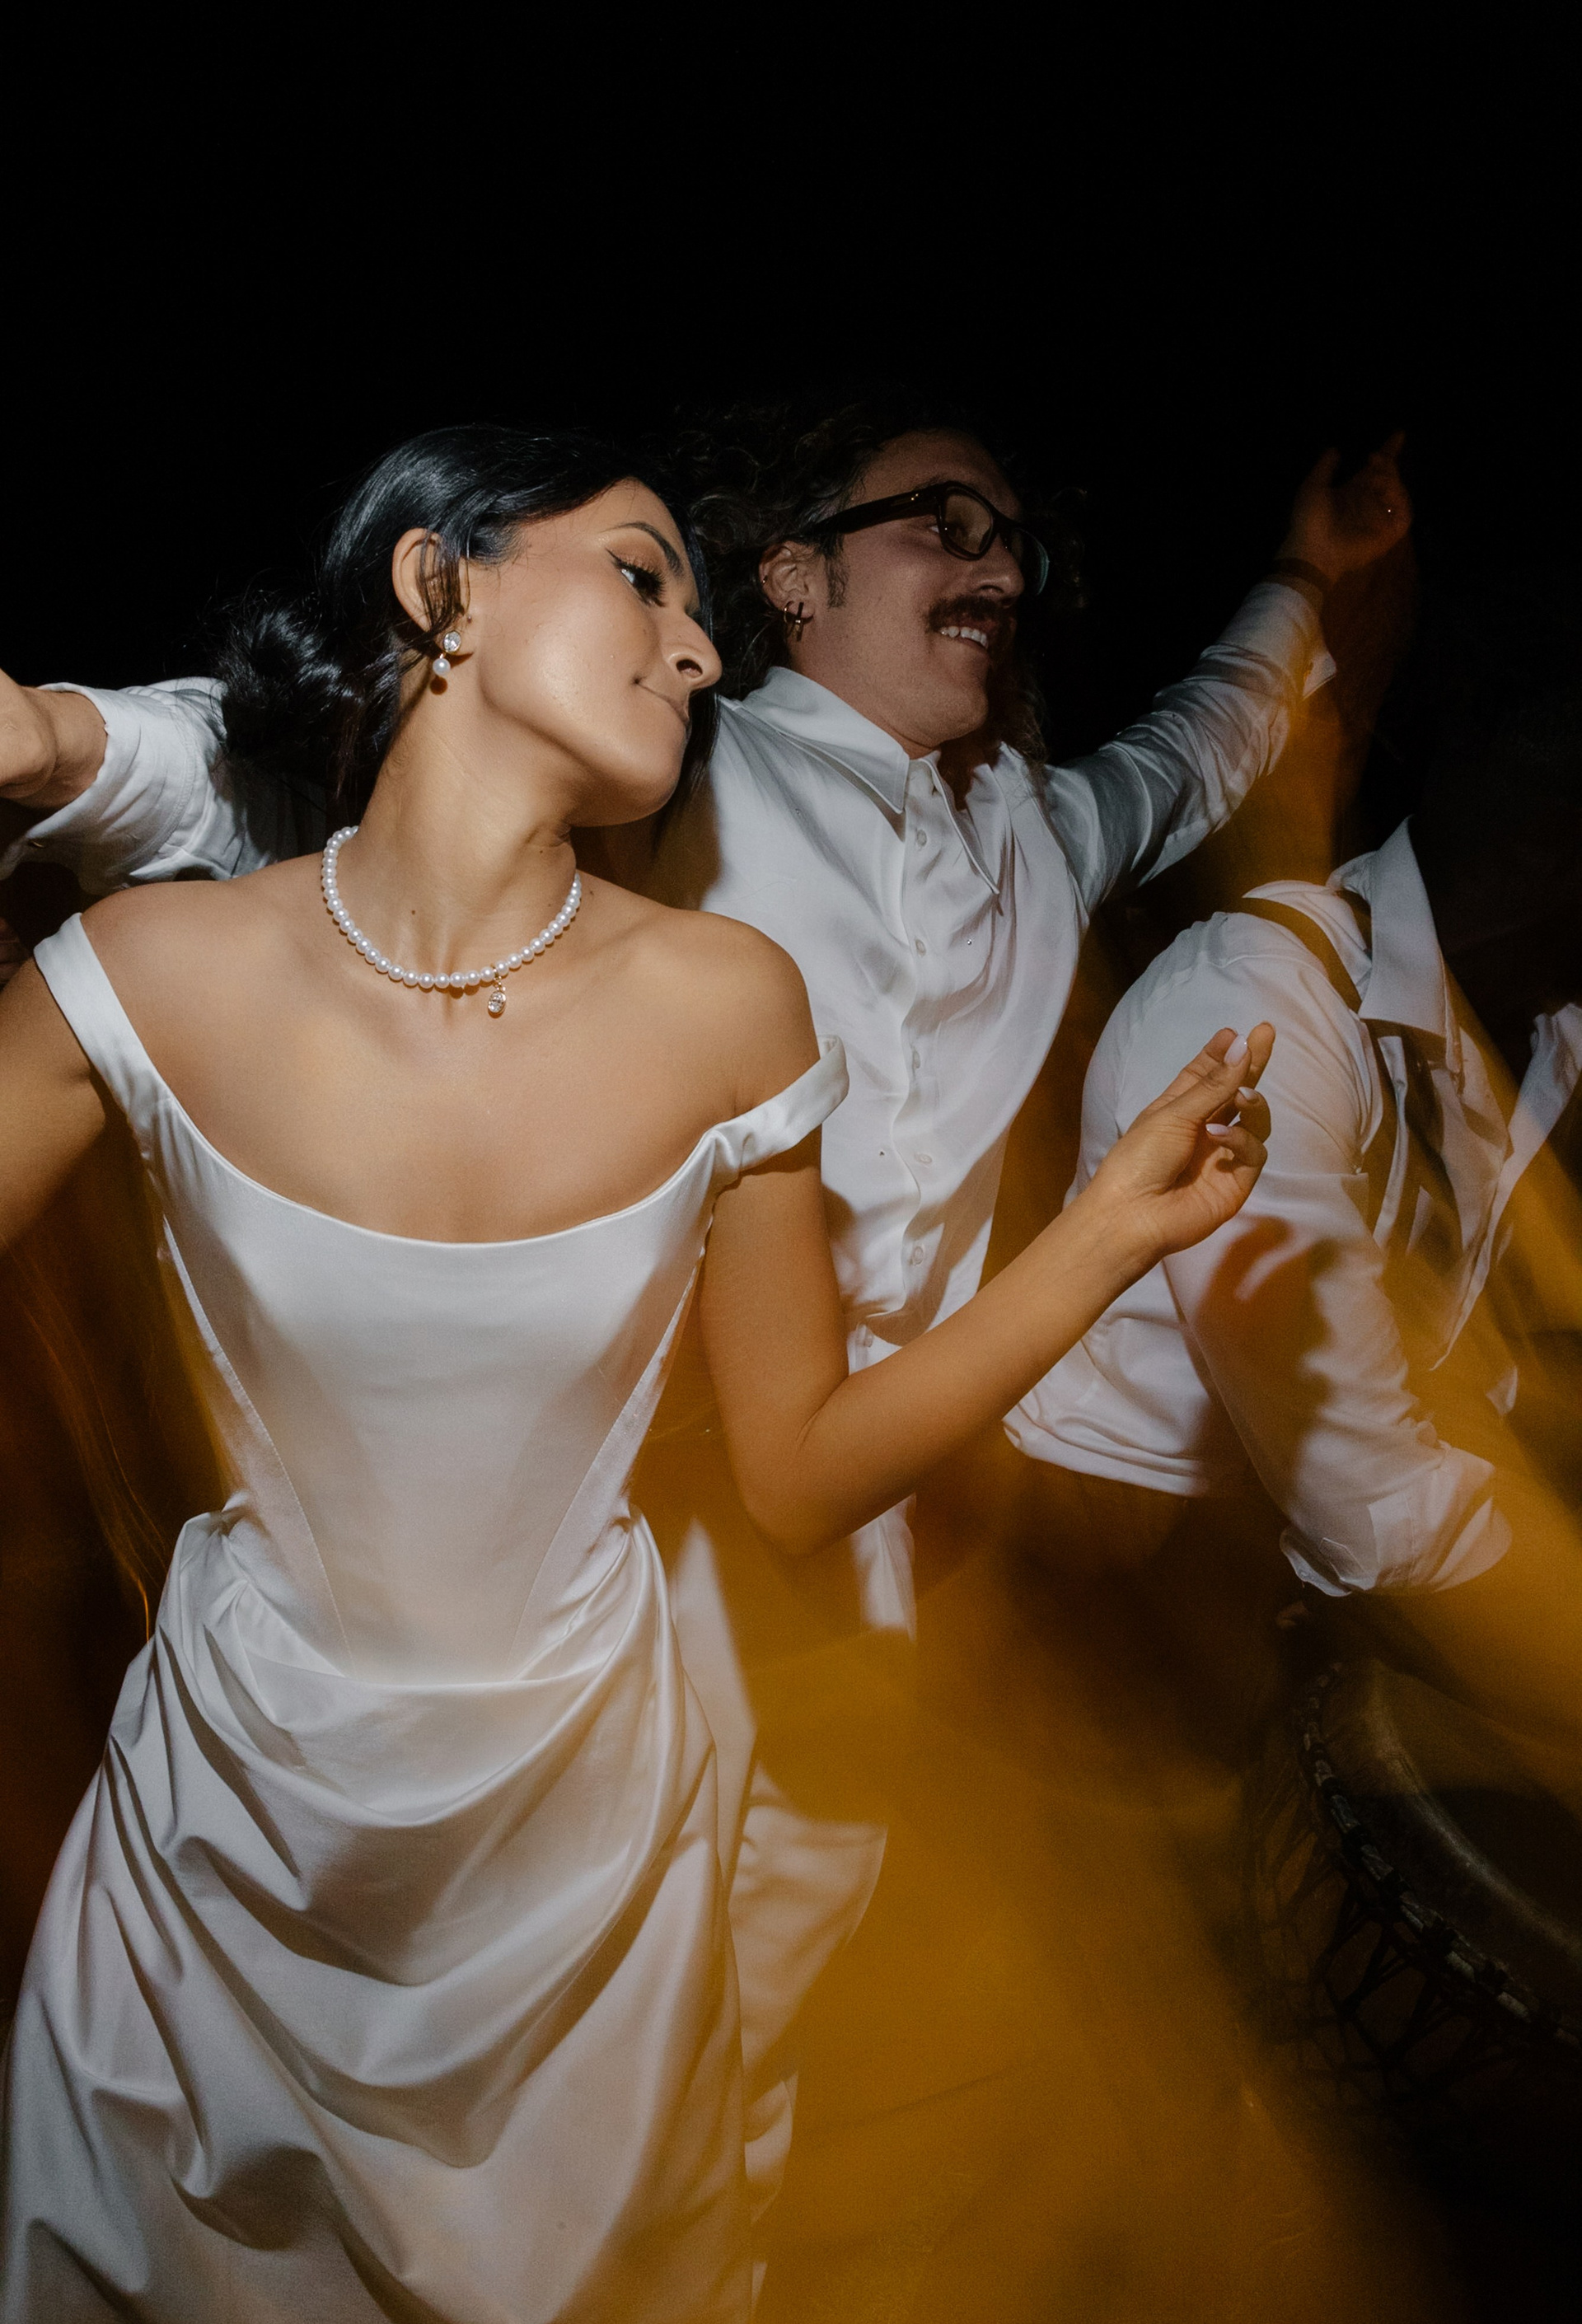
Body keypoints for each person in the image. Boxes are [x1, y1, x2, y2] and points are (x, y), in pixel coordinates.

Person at [0, 395, 1409, 2214]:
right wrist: (67, 738)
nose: (998, 563)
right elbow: (313, 766)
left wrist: (1305, 576)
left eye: (1019, 540)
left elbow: (1201, 744)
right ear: (798, 575)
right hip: (461, 1655)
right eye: (946, 520)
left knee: (739, 2062)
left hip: (817, 1591)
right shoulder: (707, 775)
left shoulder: (1024, 841)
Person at [1007, 680, 1582, 1815]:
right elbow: (1368, 1494)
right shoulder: (1259, 1009)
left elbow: (1479, 1338)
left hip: (1279, 1564)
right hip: (1115, 1559)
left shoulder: (1542, 1031)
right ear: (1538, 844)